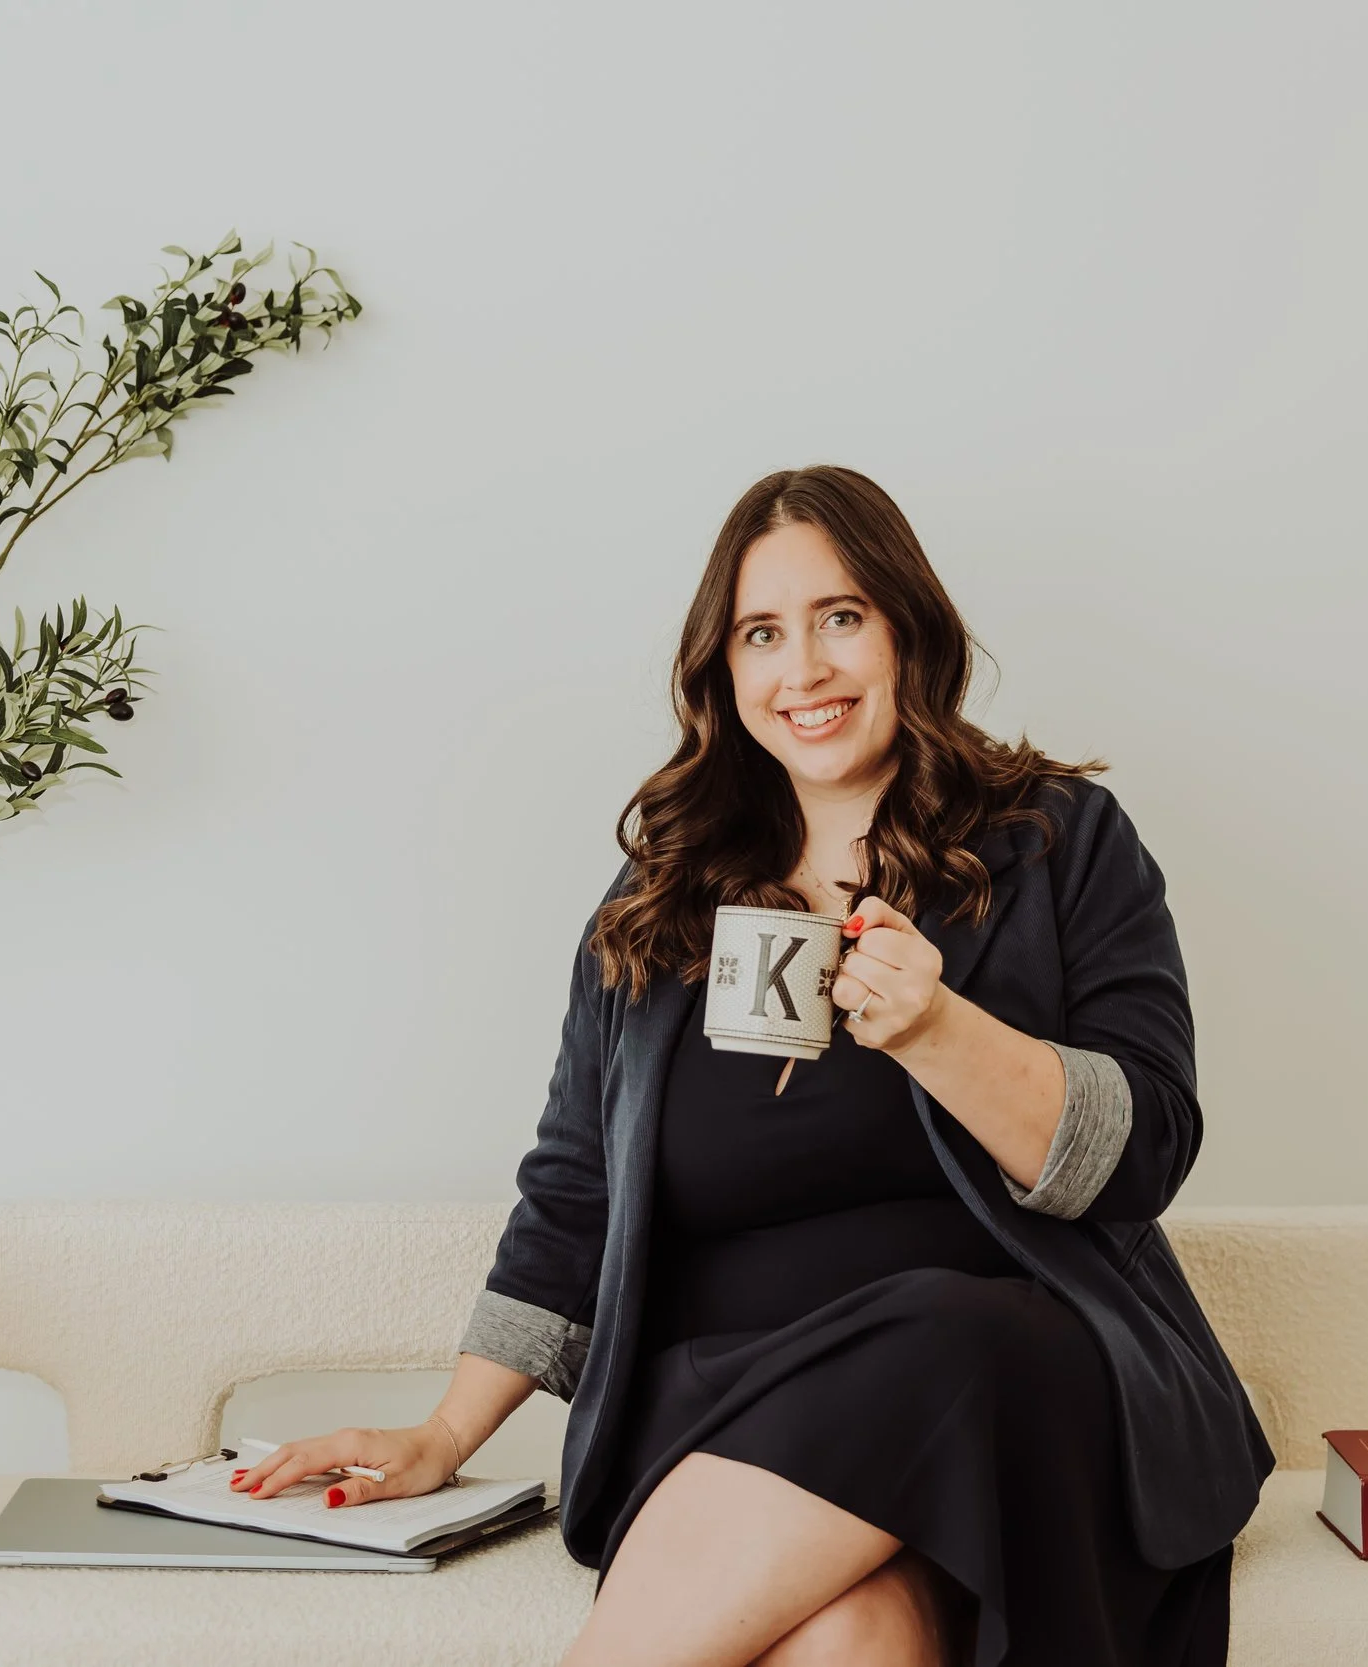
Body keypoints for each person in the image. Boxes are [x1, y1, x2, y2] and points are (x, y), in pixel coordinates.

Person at [233, 465, 1274, 1665]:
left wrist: (939, 1029)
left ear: (907, 628)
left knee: (944, 1328)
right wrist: (444, 1431)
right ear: (722, 670)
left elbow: (1142, 1153)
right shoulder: (660, 890)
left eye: (841, 617)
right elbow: (574, 1192)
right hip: (721, 1405)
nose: (804, 668)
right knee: (846, 1640)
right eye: (761, 633)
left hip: (1005, 1394)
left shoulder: (1057, 840)